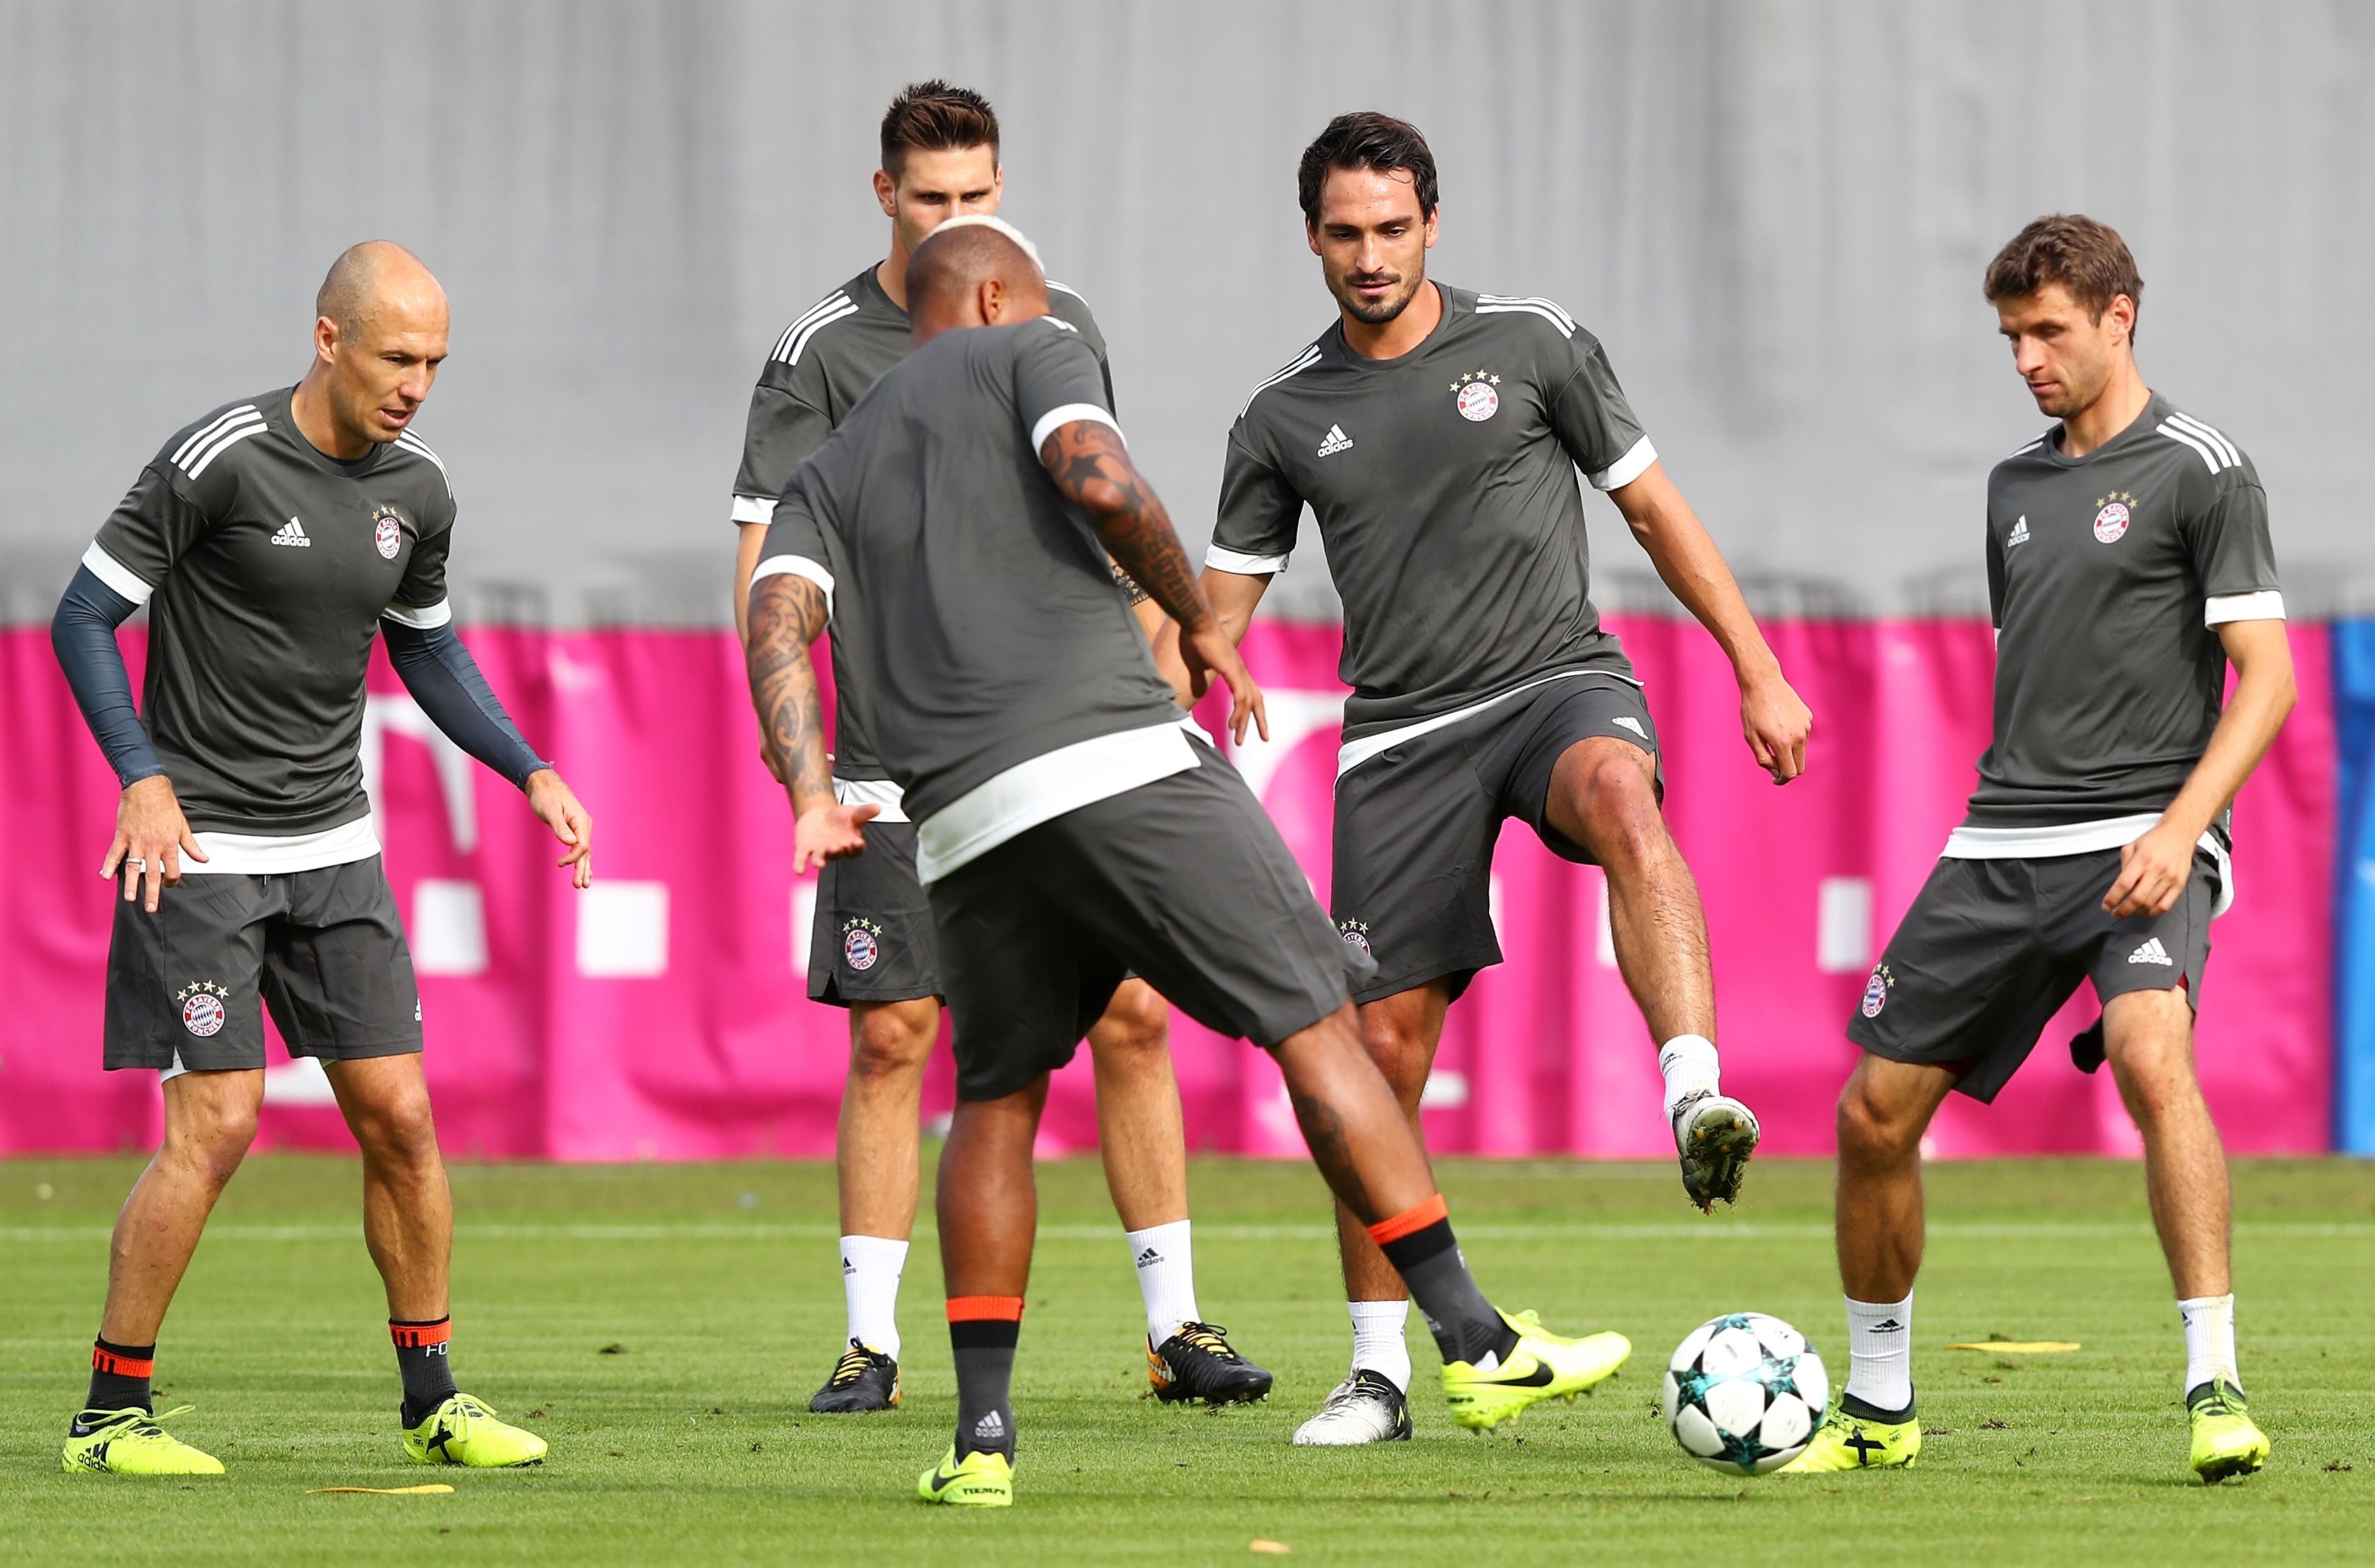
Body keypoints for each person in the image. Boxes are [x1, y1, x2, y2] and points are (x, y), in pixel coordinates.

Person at [744, 217, 1630, 1507]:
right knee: (1318, 1023)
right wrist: (1205, 625)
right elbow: (1098, 478)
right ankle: (1474, 1340)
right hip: (1116, 761)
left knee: (992, 1101)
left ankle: (981, 1440)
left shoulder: (832, 462)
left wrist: (814, 787)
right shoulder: (1026, 346)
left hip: (959, 827)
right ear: (995, 293)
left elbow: (777, 619)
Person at [1196, 113, 1812, 1445]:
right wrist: (1156, 686)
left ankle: (1693, 1086)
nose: (1370, 256)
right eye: (1345, 233)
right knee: (1378, 1058)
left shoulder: (1534, 343)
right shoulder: (1281, 416)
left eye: (1393, 228)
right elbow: (1216, 608)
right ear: (1311, 236)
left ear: (1433, 223)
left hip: (1552, 683)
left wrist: (1755, 665)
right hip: (1403, 738)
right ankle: (1380, 1374)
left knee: (1620, 799)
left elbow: (1654, 509)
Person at [727, 80, 1263, 1414]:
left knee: (1134, 1015)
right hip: (898, 750)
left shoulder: (1052, 317)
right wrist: (787, 739)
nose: (956, 218)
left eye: (977, 195)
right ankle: (870, 1341)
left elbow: (1105, 513)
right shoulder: (824, 352)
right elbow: (767, 554)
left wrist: (1154, 675)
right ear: (882, 197)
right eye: (931, 198)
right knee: (897, 1034)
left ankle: (1177, 1330)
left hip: (1065, 738)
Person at [47, 243, 591, 1475]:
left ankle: (435, 1402)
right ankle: (108, 1416)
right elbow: (86, 614)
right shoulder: (217, 461)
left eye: (436, 362)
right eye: (399, 357)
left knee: (401, 1116)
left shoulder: (422, 490)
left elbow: (430, 651)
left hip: (337, 847)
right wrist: (142, 776)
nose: (418, 383)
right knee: (221, 1125)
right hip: (203, 851)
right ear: (330, 339)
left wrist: (529, 768)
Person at [1781, 216, 2289, 1483]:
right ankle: (1880, 1411)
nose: (2025, 358)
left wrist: (2183, 829)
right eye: (2011, 336)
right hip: (2004, 838)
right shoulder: (2012, 486)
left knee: (2147, 1055)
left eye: (2048, 330)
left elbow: (2266, 682)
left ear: (2120, 317)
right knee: (1869, 1118)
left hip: (2143, 838)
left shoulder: (2203, 469)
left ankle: (2213, 1387)